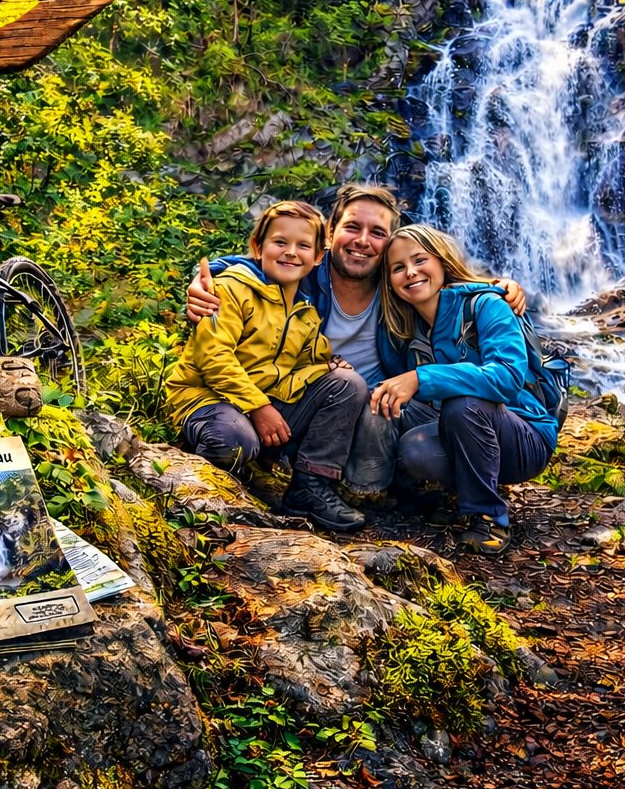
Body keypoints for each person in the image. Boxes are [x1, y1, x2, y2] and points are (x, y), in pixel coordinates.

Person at [185, 185, 527, 506]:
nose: (363, 241)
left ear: (388, 243)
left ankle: (379, 491)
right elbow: (255, 267)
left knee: (388, 418)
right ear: (330, 234)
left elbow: (445, 278)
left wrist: (498, 287)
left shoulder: (399, 286)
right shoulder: (303, 275)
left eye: (377, 232)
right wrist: (207, 277)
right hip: (297, 404)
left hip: (379, 414)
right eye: (352, 227)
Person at [166, 200, 369, 531]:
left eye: (303, 245)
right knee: (235, 440)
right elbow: (213, 357)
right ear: (258, 247)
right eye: (280, 242)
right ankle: (201, 486)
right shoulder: (228, 289)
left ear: (318, 257)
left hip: (258, 402)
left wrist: (327, 366)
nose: (291, 252)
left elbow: (305, 363)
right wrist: (259, 406)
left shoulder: (305, 310)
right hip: (206, 398)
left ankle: (309, 489)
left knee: (348, 384)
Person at [369, 225, 557, 555]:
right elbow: (396, 387)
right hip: (461, 430)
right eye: (398, 268)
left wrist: (421, 377)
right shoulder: (401, 328)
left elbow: (507, 378)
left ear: (443, 261)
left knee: (464, 403)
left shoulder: (486, 305)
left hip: (524, 436)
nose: (410, 272)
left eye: (419, 260)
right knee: (408, 435)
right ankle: (408, 494)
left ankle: (489, 517)